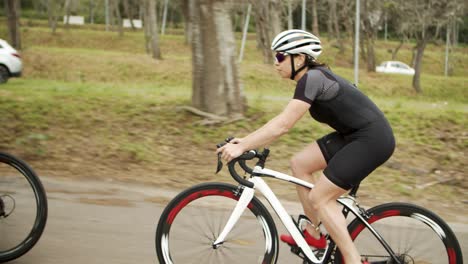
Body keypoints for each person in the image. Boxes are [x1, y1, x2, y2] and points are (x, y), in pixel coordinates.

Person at [216, 29, 395, 264]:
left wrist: (243, 146)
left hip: (373, 139)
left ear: (299, 59)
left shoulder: (313, 79)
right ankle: (315, 235)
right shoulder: (311, 79)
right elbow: (280, 122)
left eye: (280, 57)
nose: (275, 63)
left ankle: (351, 260)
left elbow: (283, 124)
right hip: (353, 136)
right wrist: (246, 141)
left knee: (320, 197)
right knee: (299, 163)